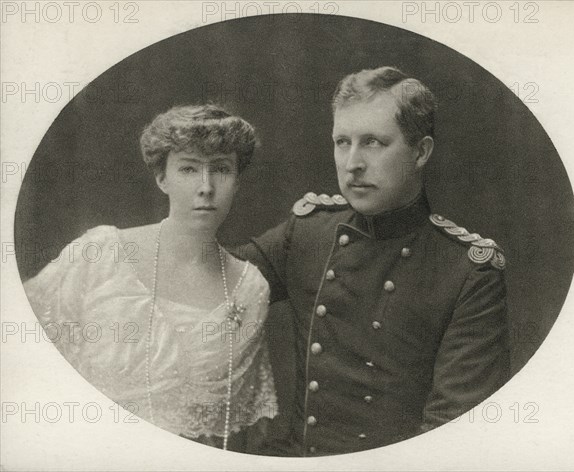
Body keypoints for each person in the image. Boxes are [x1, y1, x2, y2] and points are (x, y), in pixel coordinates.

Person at [232, 67, 510, 456]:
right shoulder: (308, 233)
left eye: (374, 143)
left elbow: (454, 431)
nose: (352, 163)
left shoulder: (466, 271)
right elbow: (213, 283)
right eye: (342, 142)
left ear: (421, 152)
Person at [23, 104, 277, 451]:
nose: (206, 187)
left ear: (237, 181)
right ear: (162, 178)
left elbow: (242, 429)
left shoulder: (249, 288)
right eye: (188, 169)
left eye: (221, 169)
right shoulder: (100, 255)